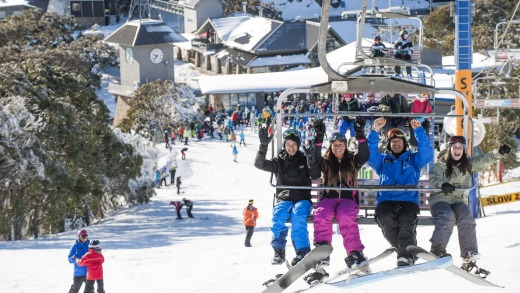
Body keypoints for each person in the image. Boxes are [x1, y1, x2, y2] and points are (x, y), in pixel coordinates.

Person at [428, 136, 510, 273]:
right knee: (447, 216)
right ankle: (437, 249)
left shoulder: (468, 164)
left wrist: (498, 153)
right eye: (454, 147)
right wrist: (443, 185)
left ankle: (469, 254)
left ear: (464, 150)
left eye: (460, 147)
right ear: (450, 149)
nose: (457, 150)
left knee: (466, 216)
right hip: (440, 199)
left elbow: (484, 160)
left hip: (458, 200)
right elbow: (432, 180)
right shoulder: (440, 165)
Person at [367, 118, 433, 266]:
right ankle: (406, 252)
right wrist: (375, 131)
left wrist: (419, 131)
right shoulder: (383, 161)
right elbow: (370, 154)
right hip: (387, 200)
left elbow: (427, 153)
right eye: (393, 141)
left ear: (405, 144)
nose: (396, 143)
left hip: (407, 200)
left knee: (406, 219)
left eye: (399, 141)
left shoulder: (413, 160)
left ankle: (404, 255)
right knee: (384, 217)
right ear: (389, 145)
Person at [306, 118, 369, 269]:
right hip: (329, 198)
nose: (337, 147)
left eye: (340, 145)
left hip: (348, 199)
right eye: (334, 145)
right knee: (321, 214)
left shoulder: (353, 160)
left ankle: (355, 252)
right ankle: (322, 250)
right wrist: (318, 137)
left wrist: (360, 134)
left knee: (346, 217)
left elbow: (365, 154)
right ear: (331, 147)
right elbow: (315, 163)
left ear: (345, 146)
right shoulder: (327, 161)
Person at [254, 127, 319, 266]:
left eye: (294, 144)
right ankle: (279, 251)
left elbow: (315, 175)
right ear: (284, 145)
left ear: (298, 145)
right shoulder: (279, 161)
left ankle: (302, 251)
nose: (291, 147)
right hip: (284, 198)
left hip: (302, 199)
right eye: (288, 144)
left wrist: (311, 159)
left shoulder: (303, 159)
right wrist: (263, 146)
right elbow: (259, 164)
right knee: (278, 217)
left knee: (298, 217)